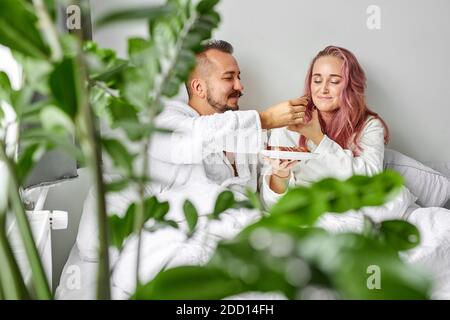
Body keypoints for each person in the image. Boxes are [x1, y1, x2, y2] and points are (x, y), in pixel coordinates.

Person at [149, 39, 308, 198]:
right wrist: (267, 119)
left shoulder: (246, 132)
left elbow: (263, 202)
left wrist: (280, 174)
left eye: (238, 77)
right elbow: (196, 137)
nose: (240, 86)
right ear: (199, 88)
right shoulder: (164, 121)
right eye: (228, 77)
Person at [261, 45, 390, 208]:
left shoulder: (369, 126)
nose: (323, 89)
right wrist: (280, 174)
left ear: (351, 86)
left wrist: (318, 138)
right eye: (317, 80)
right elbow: (271, 206)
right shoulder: (289, 121)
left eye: (334, 81)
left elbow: (369, 179)